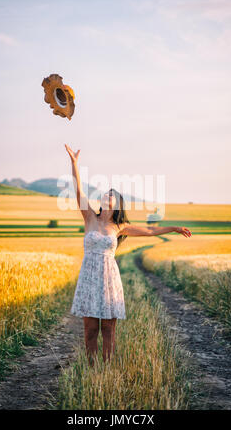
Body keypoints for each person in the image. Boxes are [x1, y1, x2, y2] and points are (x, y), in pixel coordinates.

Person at [64, 144, 192, 367]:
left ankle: (107, 370)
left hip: (108, 278)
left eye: (112, 195)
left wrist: (173, 228)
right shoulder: (89, 218)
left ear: (117, 203)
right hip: (88, 276)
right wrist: (75, 163)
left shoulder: (120, 226)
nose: (107, 195)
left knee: (109, 329)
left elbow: (150, 231)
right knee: (90, 328)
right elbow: (78, 190)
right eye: (106, 193)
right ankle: (93, 370)